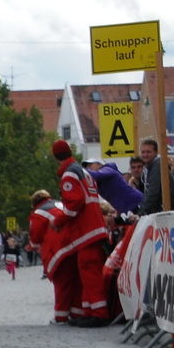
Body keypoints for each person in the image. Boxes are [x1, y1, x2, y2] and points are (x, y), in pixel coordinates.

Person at [50, 139, 111, 325]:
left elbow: (74, 203)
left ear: (55, 157)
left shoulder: (69, 175)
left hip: (86, 230)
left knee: (89, 271)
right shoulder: (81, 170)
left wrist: (58, 221)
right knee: (87, 271)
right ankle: (88, 310)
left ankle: (99, 313)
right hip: (94, 227)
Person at [28, 189, 77, 324]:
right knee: (76, 281)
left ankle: (61, 316)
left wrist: (32, 245)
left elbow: (35, 236)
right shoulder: (60, 204)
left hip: (58, 248)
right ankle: (77, 313)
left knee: (61, 283)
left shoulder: (38, 213)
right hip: (75, 242)